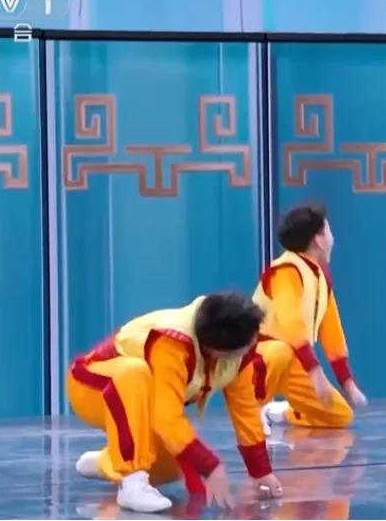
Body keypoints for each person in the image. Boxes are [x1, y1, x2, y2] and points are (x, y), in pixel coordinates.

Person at [66, 292, 283, 513]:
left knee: (173, 461)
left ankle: (106, 462)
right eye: (250, 341)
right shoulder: (172, 345)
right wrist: (209, 464)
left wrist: (261, 472)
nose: (255, 343)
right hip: (93, 387)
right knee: (133, 372)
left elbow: (246, 411)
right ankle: (132, 483)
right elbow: (166, 418)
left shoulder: (236, 351)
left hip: (140, 403)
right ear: (217, 351)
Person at [252, 204, 367, 433]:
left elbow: (332, 333)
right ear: (319, 240)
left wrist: (347, 383)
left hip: (291, 360)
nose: (332, 239)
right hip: (257, 357)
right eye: (329, 231)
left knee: (339, 414)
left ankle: (279, 413)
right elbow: (290, 322)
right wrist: (314, 370)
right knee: (280, 351)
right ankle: (253, 410)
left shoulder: (320, 276)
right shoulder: (286, 270)